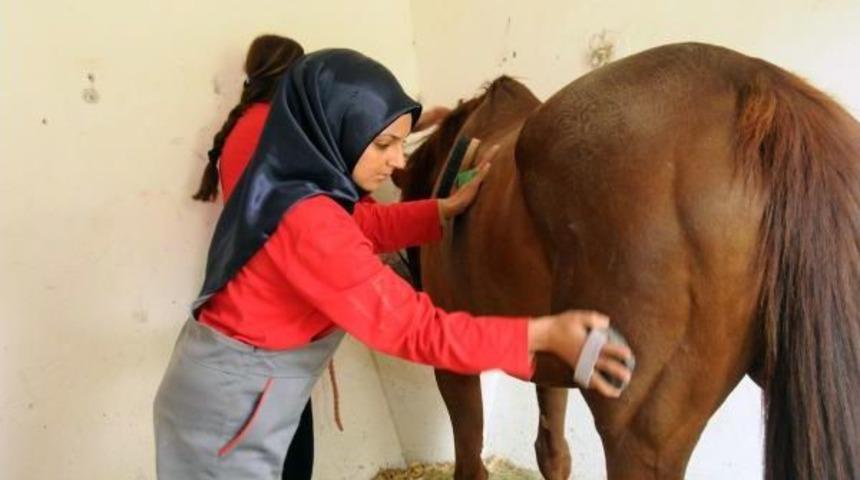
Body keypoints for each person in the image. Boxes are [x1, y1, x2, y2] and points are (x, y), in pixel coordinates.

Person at [155, 48, 634, 479]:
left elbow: (358, 224)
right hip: (230, 405)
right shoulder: (307, 220)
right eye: (383, 145)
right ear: (335, 127)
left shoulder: (295, 186)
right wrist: (543, 335)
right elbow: (415, 330)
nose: (397, 165)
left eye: (399, 146)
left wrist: (438, 211)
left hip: (240, 387)